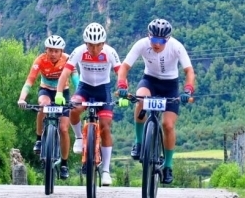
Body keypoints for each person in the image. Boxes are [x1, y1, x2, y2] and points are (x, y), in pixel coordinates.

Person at [116, 18, 195, 185]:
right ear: (148, 36)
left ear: (167, 39)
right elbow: (124, 67)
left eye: (161, 41)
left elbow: (189, 71)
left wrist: (187, 90)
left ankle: (168, 166)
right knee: (140, 100)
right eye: (154, 40)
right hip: (150, 81)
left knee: (168, 125)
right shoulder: (141, 44)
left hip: (170, 86)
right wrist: (122, 85)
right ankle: (139, 142)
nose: (157, 44)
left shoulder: (176, 46)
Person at [55, 22, 121, 187]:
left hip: (103, 89)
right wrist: (58, 93)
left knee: (105, 127)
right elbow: (65, 73)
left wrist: (123, 91)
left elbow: (120, 73)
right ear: (86, 43)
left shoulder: (110, 52)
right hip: (84, 88)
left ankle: (105, 171)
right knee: (73, 108)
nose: (94, 49)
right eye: (90, 45)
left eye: (98, 45)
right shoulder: (79, 51)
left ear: (103, 43)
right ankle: (79, 137)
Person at [17, 35, 76, 179]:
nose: (53, 54)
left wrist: (79, 97)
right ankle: (39, 139)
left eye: (56, 51)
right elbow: (30, 81)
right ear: (46, 50)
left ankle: (64, 164)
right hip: (46, 90)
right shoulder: (40, 60)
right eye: (50, 50)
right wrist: (22, 99)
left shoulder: (68, 59)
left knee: (63, 129)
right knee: (43, 105)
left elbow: (76, 79)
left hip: (63, 92)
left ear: (61, 51)